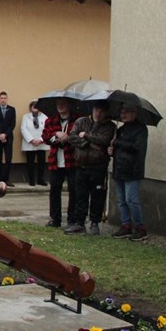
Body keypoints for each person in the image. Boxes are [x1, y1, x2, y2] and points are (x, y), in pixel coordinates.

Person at [65, 99, 116, 235]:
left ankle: (95, 222)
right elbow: (72, 137)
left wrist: (86, 135)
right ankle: (79, 222)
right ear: (92, 109)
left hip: (98, 166)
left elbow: (104, 140)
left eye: (102, 112)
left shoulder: (110, 126)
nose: (98, 114)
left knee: (97, 196)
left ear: (106, 113)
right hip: (81, 164)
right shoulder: (82, 121)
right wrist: (87, 144)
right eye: (96, 110)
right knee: (80, 195)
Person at [110, 104, 149, 241]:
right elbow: (118, 149)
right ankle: (126, 225)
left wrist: (118, 143)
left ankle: (140, 227)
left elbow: (136, 147)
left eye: (126, 112)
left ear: (134, 113)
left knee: (131, 200)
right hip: (119, 168)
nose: (123, 115)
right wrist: (112, 151)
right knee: (121, 200)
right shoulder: (121, 129)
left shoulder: (141, 129)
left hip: (133, 169)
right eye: (122, 112)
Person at [41, 97, 80, 228]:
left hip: (72, 161)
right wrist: (56, 135)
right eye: (58, 104)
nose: (60, 106)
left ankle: (72, 219)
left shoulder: (76, 120)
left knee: (73, 190)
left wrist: (68, 138)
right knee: (54, 190)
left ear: (69, 105)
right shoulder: (51, 120)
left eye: (63, 104)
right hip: (55, 161)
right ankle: (55, 218)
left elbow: (78, 137)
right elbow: (45, 136)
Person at [0, 91, 16, 186]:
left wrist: (5, 135)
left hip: (8, 138)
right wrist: (0, 135)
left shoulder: (12, 110)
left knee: (8, 158)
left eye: (5, 98)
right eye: (1, 98)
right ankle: (0, 179)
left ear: (7, 99)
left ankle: (6, 179)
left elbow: (12, 124)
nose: (3, 100)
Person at [20, 100, 48, 186]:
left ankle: (40, 179)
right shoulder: (26, 117)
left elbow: (47, 129)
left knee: (41, 163)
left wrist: (40, 140)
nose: (35, 107)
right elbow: (23, 129)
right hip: (30, 144)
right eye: (33, 106)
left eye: (37, 106)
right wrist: (31, 140)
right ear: (30, 107)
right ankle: (31, 180)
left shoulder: (45, 117)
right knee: (30, 163)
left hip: (41, 144)